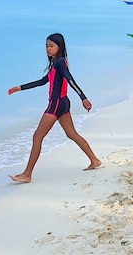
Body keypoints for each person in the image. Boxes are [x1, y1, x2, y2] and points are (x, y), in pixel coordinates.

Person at [7, 33, 102, 183]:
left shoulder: (59, 63)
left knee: (37, 137)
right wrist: (20, 88)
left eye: (51, 46)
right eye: (46, 46)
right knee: (72, 134)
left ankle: (27, 174)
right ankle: (95, 160)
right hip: (63, 103)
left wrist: (83, 98)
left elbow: (70, 79)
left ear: (59, 47)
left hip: (56, 104)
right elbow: (44, 81)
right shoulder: (55, 62)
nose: (48, 49)